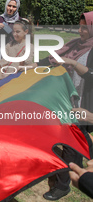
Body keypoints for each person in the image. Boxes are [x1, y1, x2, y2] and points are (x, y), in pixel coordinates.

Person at [37, 11, 93, 200]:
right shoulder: (75, 45)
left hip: (84, 104)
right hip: (66, 100)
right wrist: (26, 67)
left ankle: (62, 185)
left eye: (84, 28)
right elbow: (49, 61)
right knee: (75, 140)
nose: (80, 31)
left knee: (71, 143)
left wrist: (73, 63)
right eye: (79, 27)